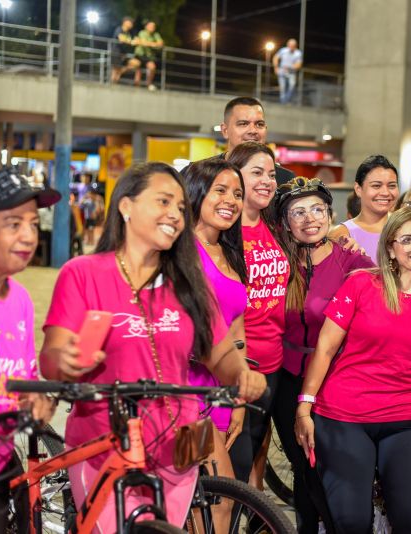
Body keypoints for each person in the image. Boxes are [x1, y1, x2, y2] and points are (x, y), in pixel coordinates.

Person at [39, 162, 265, 533]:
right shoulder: (84, 273)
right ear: (126, 206)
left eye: (180, 206)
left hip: (179, 443)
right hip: (106, 441)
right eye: (163, 201)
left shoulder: (189, 283)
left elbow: (220, 352)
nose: (175, 214)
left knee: (193, 518)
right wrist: (65, 360)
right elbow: (52, 356)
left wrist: (242, 374)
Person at [295, 208, 411, 533]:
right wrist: (305, 406)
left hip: (408, 418)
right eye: (407, 239)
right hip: (344, 414)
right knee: (352, 523)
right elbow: (325, 347)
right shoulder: (361, 283)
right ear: (391, 249)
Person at [273, 177, 373, 533]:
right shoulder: (279, 262)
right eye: (298, 212)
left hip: (336, 380)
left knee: (331, 467)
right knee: (304, 467)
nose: (310, 219)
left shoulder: (353, 261)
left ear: (330, 215)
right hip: (287, 377)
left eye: (317, 209)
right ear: (286, 223)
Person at [0, 168, 59, 533]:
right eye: (13, 224)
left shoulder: (20, 299)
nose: (28, 236)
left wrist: (37, 401)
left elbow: (22, 379)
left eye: (33, 224)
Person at [182, 157, 266, 484]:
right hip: (187, 393)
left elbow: (236, 332)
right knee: (203, 494)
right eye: (220, 190)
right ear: (196, 192)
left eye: (237, 194)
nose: (230, 200)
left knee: (224, 491)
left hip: (224, 391)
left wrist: (239, 399)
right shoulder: (182, 253)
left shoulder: (230, 253)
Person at [226, 142, 289, 481]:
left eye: (271, 174)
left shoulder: (274, 226)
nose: (267, 180)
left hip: (274, 363)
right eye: (257, 173)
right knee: (233, 468)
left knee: (252, 457)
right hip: (239, 365)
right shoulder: (224, 232)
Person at [329, 155, 399, 264]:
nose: (385, 193)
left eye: (392, 186)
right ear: (358, 189)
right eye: (376, 186)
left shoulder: (405, 227)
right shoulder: (340, 234)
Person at [218, 96, 294, 185]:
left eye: (259, 124)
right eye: (243, 124)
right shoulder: (207, 173)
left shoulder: (285, 179)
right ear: (225, 130)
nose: (253, 131)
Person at [110, 16, 141, 86]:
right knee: (115, 71)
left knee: (136, 63)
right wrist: (132, 42)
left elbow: (137, 40)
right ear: (125, 22)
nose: (132, 24)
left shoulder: (129, 32)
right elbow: (121, 39)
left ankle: (116, 79)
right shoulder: (119, 29)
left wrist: (136, 41)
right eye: (130, 22)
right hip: (116, 52)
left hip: (124, 54)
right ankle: (112, 86)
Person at [134, 20, 164, 91]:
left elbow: (161, 44)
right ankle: (136, 86)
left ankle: (149, 84)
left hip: (149, 56)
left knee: (152, 67)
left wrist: (150, 44)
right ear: (146, 27)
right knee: (138, 69)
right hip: (140, 54)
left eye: (153, 26)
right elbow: (143, 43)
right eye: (151, 26)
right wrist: (154, 44)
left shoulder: (156, 34)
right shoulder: (142, 32)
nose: (152, 27)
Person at [273, 39, 303, 104]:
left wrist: (290, 68)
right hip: (282, 71)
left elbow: (299, 65)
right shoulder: (283, 50)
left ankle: (286, 100)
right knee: (282, 87)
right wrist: (276, 67)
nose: (291, 47)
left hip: (291, 73)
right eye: (290, 45)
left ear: (295, 46)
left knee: (292, 86)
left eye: (293, 45)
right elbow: (275, 58)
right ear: (288, 45)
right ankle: (282, 102)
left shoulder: (298, 53)